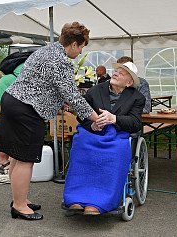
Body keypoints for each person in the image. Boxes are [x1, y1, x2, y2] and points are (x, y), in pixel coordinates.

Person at [0, 22, 99, 221]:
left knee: (16, 155)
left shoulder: (46, 51)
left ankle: (19, 199)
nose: (82, 50)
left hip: (12, 101)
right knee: (25, 158)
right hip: (26, 109)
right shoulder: (61, 61)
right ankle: (20, 206)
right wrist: (96, 117)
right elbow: (73, 97)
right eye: (83, 46)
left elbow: (50, 86)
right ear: (74, 44)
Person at [63, 61, 145, 215]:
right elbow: (82, 115)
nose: (115, 74)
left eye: (122, 73)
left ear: (129, 82)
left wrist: (114, 119)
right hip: (93, 131)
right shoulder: (94, 91)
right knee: (80, 143)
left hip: (117, 133)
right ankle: (76, 197)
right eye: (116, 71)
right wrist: (92, 125)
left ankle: (101, 200)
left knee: (116, 152)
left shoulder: (137, 97)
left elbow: (135, 123)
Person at [0, 51, 34, 171]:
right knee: (8, 129)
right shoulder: (26, 68)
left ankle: (8, 159)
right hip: (4, 97)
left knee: (7, 129)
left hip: (3, 95)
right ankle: (4, 161)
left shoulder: (25, 65)